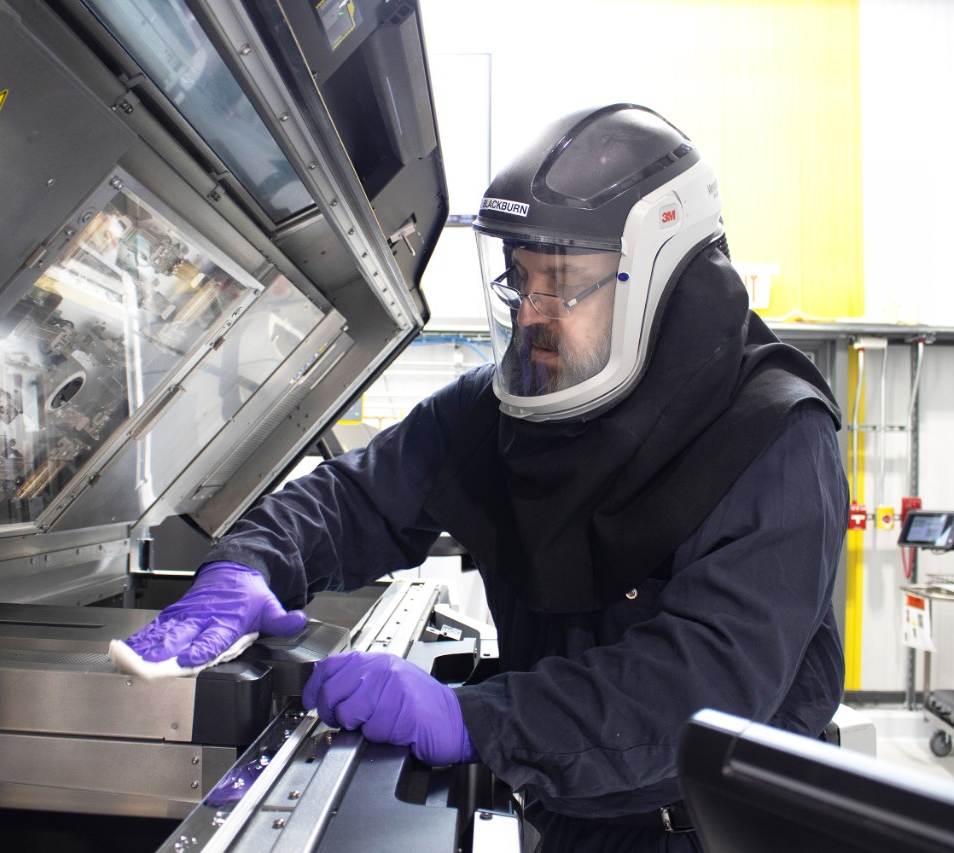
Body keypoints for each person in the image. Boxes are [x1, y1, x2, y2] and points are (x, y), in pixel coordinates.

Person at [115, 104, 849, 851]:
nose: (531, 314)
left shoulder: (775, 435)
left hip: (725, 831)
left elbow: (703, 688)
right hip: (569, 814)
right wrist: (249, 564)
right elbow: (355, 497)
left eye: (560, 283)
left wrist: (476, 719)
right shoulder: (510, 404)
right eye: (519, 280)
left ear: (661, 281)